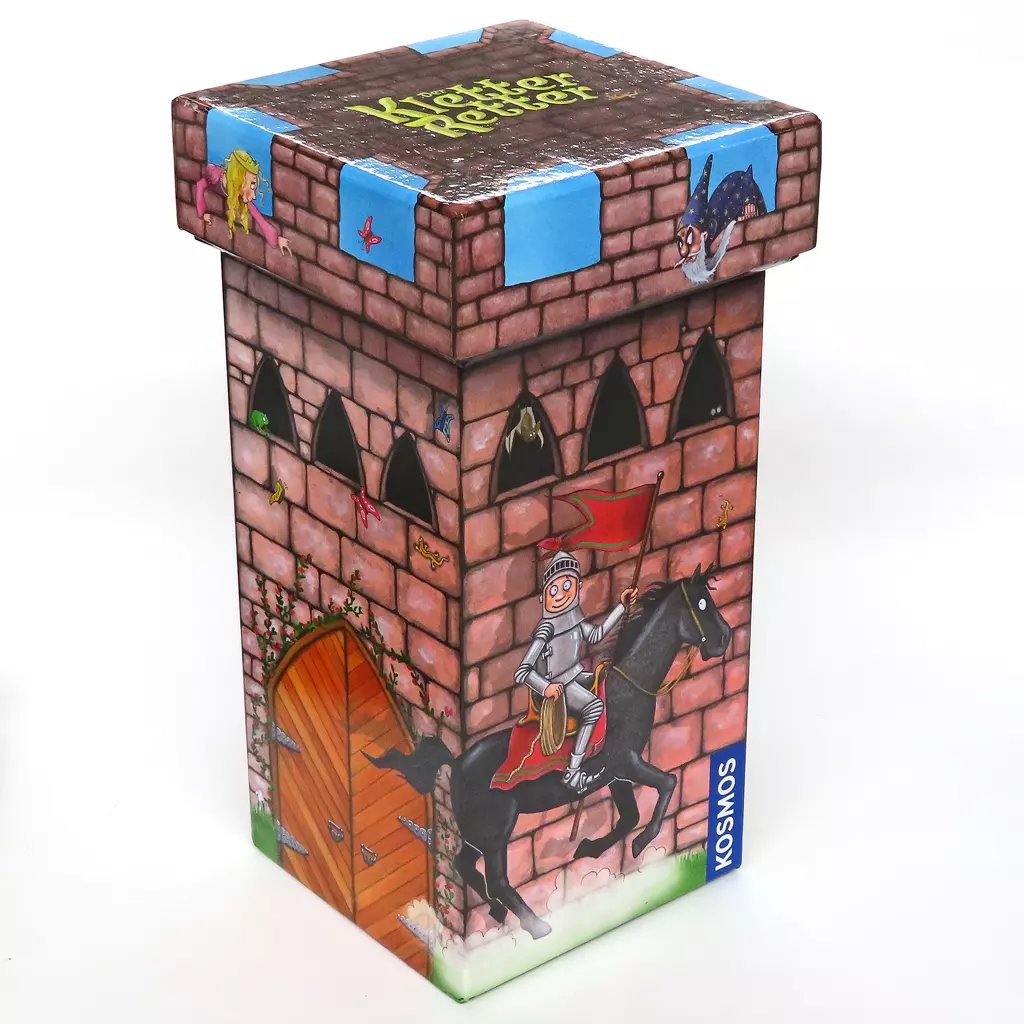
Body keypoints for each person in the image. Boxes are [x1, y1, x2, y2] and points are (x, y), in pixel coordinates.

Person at [515, 552, 638, 793]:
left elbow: (595, 635)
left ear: (577, 587)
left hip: (574, 674)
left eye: (567, 586)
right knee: (594, 707)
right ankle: (572, 772)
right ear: (544, 596)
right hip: (556, 686)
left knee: (610, 682)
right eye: (554, 590)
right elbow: (523, 671)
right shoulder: (546, 628)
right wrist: (546, 687)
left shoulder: (574, 616)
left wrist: (622, 608)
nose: (560, 595)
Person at [196, 149, 292, 254]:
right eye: (252, 185)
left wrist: (276, 239)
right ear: (239, 178)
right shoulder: (214, 175)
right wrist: (202, 214)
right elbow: (200, 185)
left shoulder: (239, 193)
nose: (254, 196)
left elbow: (258, 217)